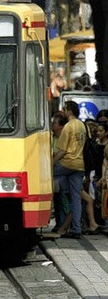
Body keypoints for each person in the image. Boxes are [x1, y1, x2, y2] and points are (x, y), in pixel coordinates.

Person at [53, 100, 86, 239]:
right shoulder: (82, 126)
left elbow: (61, 151)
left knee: (46, 179)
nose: (64, 112)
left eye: (65, 110)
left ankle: (54, 218)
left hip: (67, 164)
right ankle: (76, 229)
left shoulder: (68, 127)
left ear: (69, 111)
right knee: (76, 198)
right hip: (79, 165)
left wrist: (50, 165)